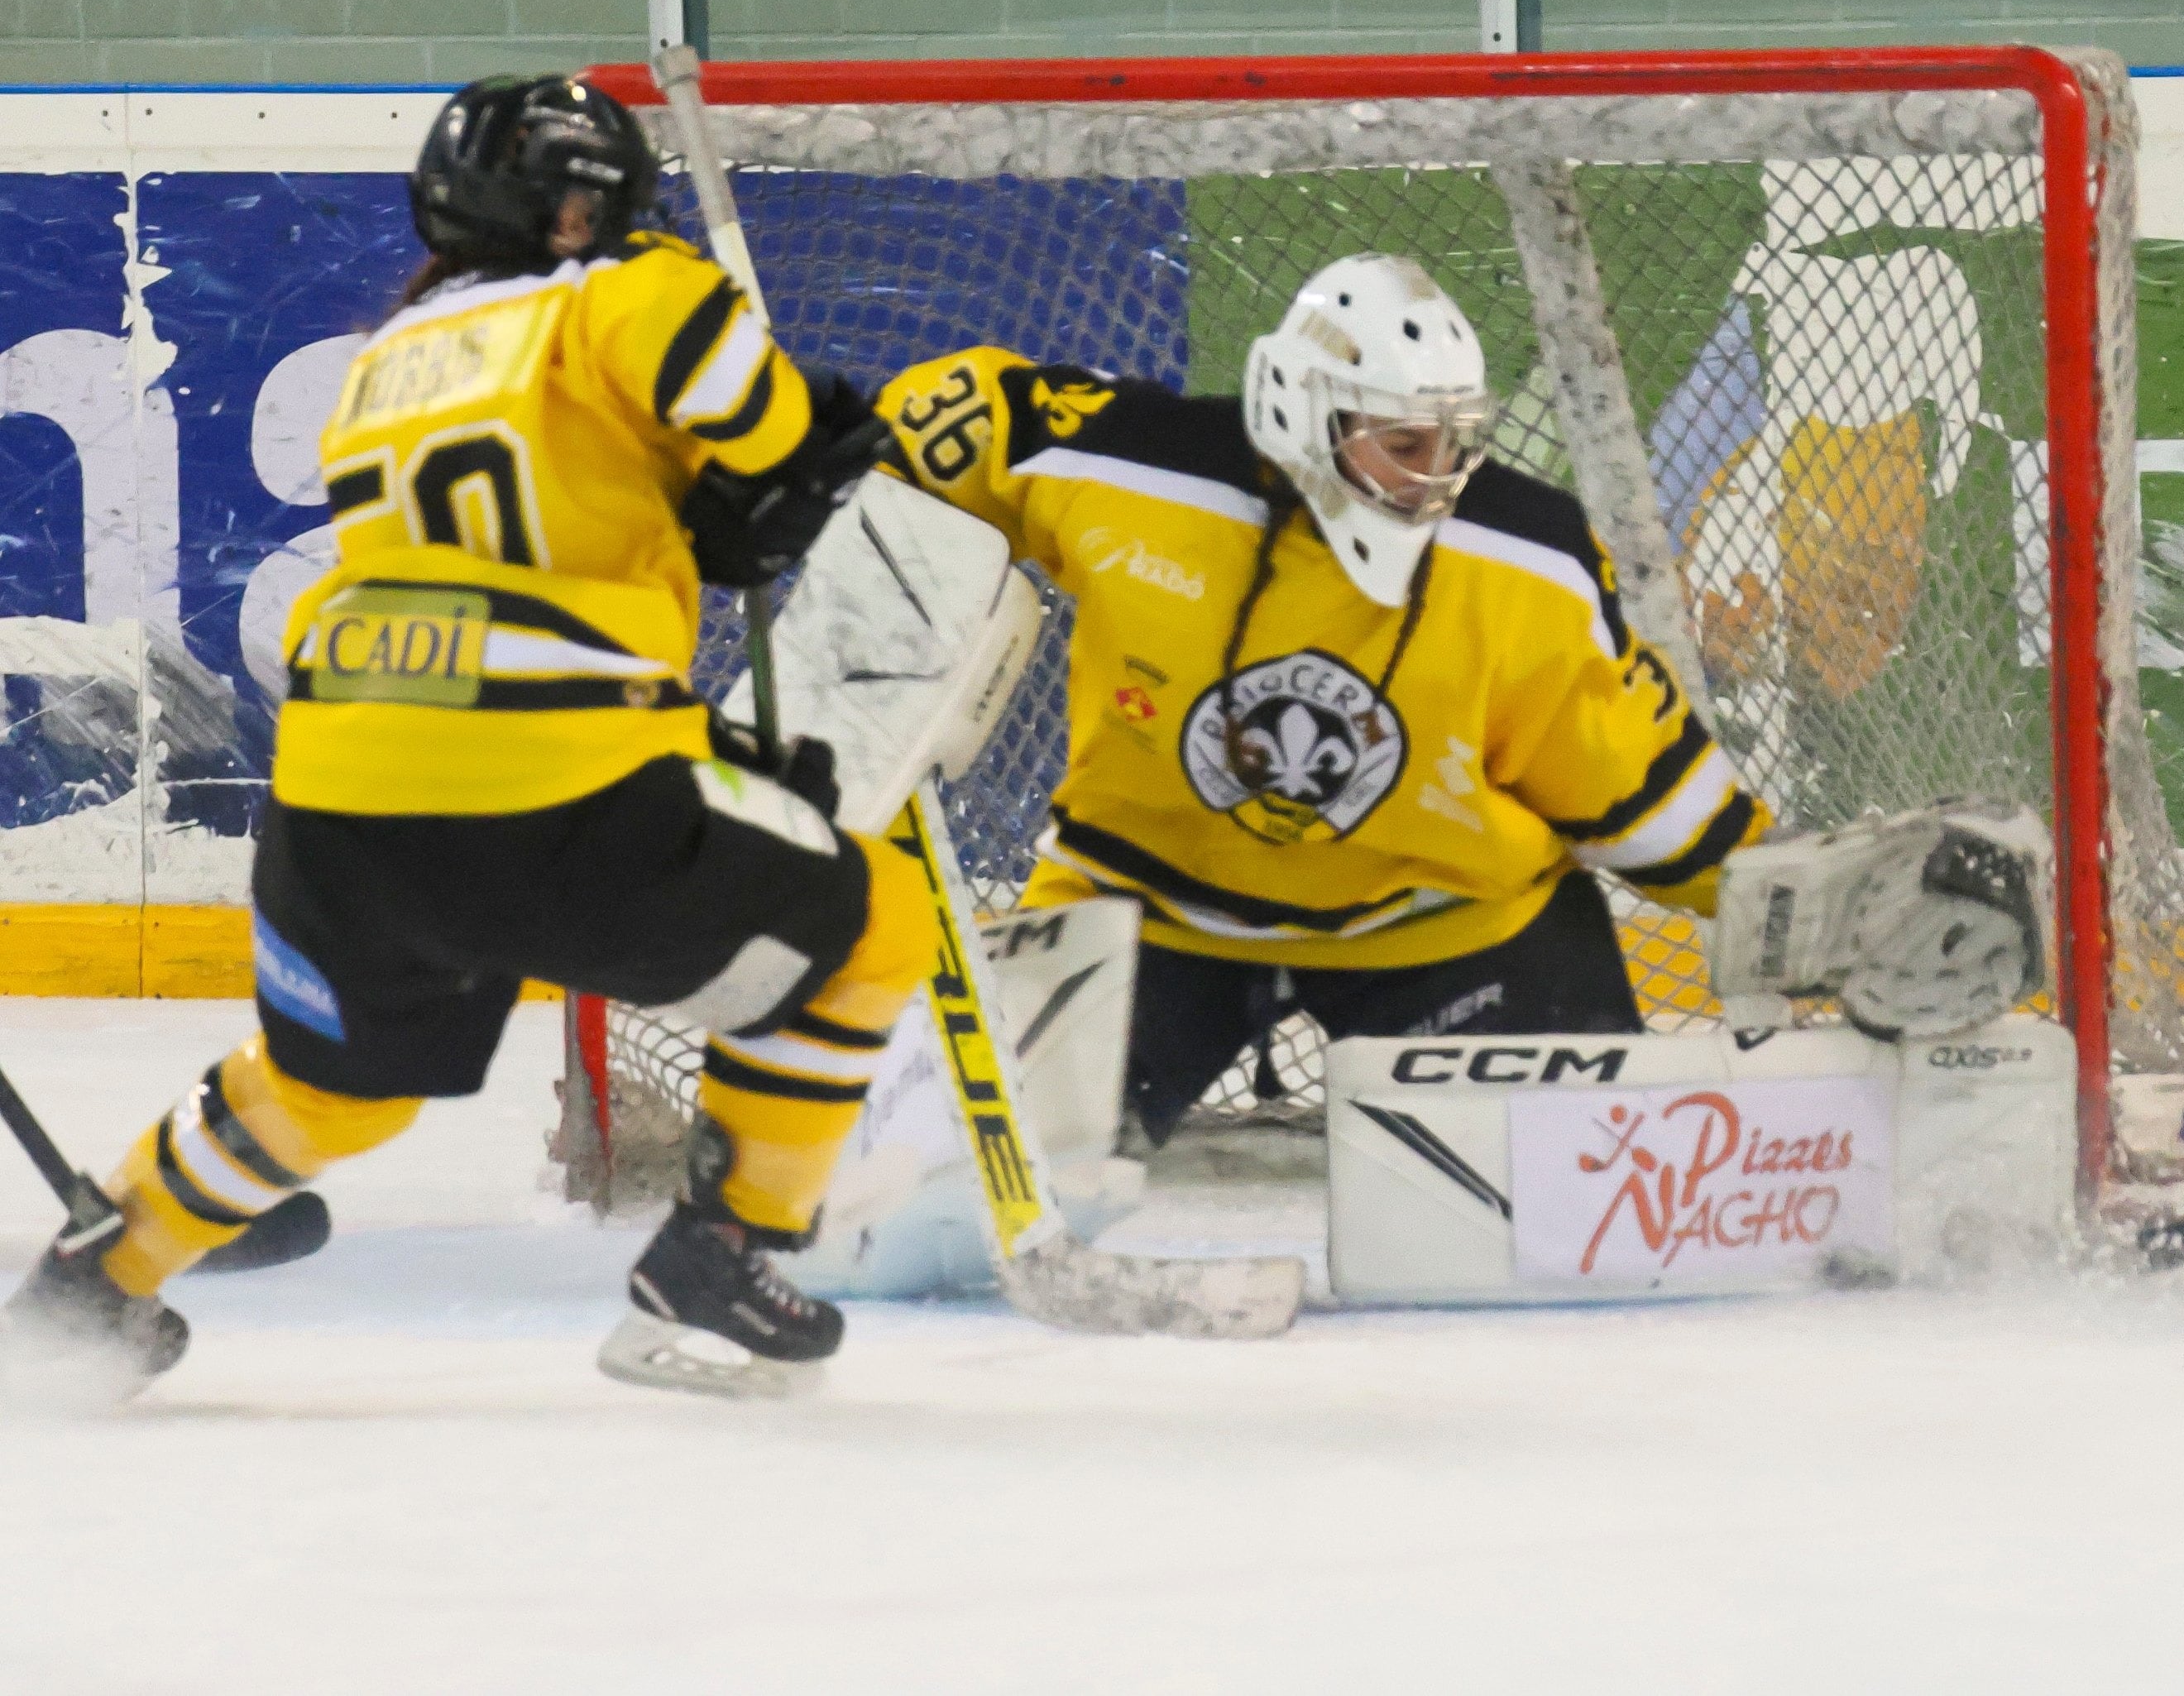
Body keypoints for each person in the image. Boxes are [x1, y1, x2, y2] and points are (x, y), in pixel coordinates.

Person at [0, 74, 925, 1396]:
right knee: (875, 921)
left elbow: (498, 579)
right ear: (588, 205)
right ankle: (731, 1241)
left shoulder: (384, 360)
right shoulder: (626, 289)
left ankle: (96, 1284)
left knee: (332, 1087)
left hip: (334, 796)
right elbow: (771, 432)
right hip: (549, 789)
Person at [870, 254, 1769, 1148]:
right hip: (1139, 905)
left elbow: (1644, 795)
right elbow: (952, 417)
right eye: (1402, 443)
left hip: (1444, 929)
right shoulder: (1132, 469)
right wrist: (830, 501)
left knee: (1575, 1196)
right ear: (1302, 412)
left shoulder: (1527, 562)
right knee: (953, 1185)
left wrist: (1784, 901)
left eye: (1452, 443)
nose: (1432, 476)